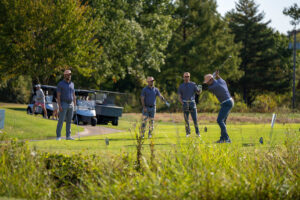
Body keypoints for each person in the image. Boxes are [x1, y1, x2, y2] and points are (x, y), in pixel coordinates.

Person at [203, 70, 234, 143]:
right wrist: (217, 75)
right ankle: (222, 139)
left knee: (219, 120)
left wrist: (214, 76)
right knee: (223, 121)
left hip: (226, 103)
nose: (207, 83)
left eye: (207, 82)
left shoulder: (212, 87)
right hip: (229, 101)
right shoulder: (222, 81)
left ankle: (227, 139)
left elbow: (211, 85)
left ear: (211, 80)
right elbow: (219, 79)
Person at [178, 72, 201, 137]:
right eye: (185, 76)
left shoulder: (193, 84)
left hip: (192, 103)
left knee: (195, 119)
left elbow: (198, 92)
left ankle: (198, 133)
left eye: (188, 76)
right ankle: (188, 133)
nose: (186, 78)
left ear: (189, 77)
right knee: (186, 120)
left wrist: (199, 90)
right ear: (183, 77)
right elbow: (179, 97)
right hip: (185, 103)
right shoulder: (181, 86)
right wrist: (183, 103)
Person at [56, 69, 76, 141]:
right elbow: (58, 96)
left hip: (71, 104)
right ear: (65, 75)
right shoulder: (60, 84)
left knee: (69, 121)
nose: (69, 76)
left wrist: (75, 104)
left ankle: (68, 136)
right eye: (68, 74)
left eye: (70, 74)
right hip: (63, 103)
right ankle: (58, 136)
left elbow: (74, 95)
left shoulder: (72, 84)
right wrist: (59, 105)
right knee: (61, 120)